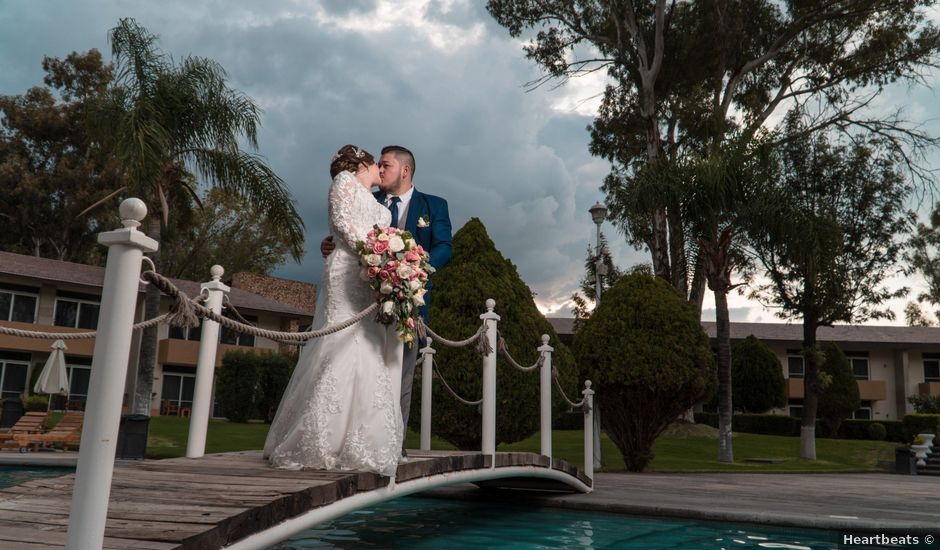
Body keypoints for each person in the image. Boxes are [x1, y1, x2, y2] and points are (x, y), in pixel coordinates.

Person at [264, 145, 403, 477]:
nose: (382, 172)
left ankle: (363, 440)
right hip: (348, 272)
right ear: (364, 164)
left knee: (368, 348)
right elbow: (341, 223)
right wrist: (374, 256)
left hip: (370, 278)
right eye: (378, 166)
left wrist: (387, 264)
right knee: (340, 341)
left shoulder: (376, 201)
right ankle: (318, 439)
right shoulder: (344, 181)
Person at [321, 145, 452, 455]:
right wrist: (333, 244)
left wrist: (414, 267)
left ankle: (393, 446)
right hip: (364, 299)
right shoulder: (369, 197)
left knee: (399, 375)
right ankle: (355, 439)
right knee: (365, 368)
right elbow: (348, 229)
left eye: (386, 165)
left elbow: (445, 246)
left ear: (405, 171)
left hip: (408, 300)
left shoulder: (434, 206)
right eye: (377, 164)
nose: (379, 170)